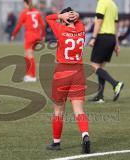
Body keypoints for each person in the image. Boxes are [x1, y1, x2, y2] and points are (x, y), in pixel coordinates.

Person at [46, 7, 91, 154]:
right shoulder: (81, 28)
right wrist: (76, 15)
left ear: (64, 19)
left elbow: (48, 18)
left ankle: (56, 142)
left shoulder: (60, 29)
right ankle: (85, 135)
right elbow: (79, 21)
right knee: (79, 109)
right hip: (78, 71)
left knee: (58, 109)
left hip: (62, 72)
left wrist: (60, 15)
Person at [89, 0, 124, 103]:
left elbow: (99, 21)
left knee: (94, 66)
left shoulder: (102, 2)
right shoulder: (113, 5)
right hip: (111, 38)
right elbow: (116, 26)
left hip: (102, 37)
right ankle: (100, 96)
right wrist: (117, 44)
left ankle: (115, 84)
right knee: (101, 67)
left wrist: (93, 37)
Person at [11, 0, 45, 82]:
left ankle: (32, 76)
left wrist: (14, 34)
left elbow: (19, 25)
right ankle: (28, 75)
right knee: (28, 55)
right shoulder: (37, 12)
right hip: (37, 36)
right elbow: (43, 25)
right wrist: (43, 35)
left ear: (25, 3)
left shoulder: (25, 12)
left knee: (29, 56)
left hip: (30, 36)